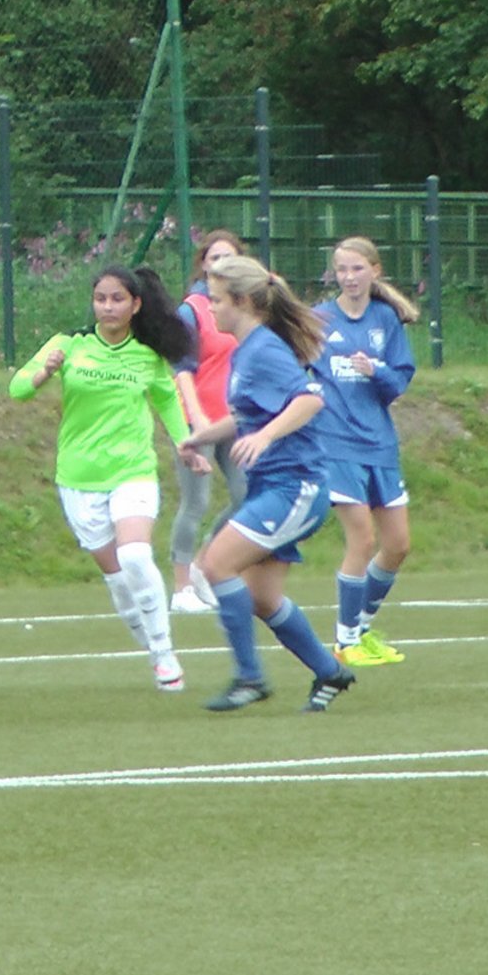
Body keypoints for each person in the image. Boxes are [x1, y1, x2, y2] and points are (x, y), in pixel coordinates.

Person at [10, 265, 205, 692]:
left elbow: (167, 400)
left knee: (136, 556)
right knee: (119, 581)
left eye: (117, 299)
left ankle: (164, 651)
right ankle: (152, 649)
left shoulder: (147, 355)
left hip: (132, 471)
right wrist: (46, 371)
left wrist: (185, 444)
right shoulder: (68, 344)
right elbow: (18, 388)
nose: (108, 306)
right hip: (78, 477)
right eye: (101, 298)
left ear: (135, 305)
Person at [180, 255, 359, 713]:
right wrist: (202, 436)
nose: (210, 307)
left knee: (215, 565)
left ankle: (250, 678)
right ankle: (329, 671)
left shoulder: (264, 348)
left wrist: (265, 436)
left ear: (242, 301)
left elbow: (308, 400)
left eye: (216, 299)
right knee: (262, 598)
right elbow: (248, 414)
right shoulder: (249, 349)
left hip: (294, 486)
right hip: (272, 487)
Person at [312, 236, 418, 666]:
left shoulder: (384, 320)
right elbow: (295, 372)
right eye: (341, 270)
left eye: (357, 269)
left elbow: (398, 384)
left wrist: (375, 370)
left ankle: (363, 629)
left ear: (375, 271)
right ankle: (345, 641)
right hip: (336, 446)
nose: (349, 277)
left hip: (380, 445)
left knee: (397, 544)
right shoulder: (319, 320)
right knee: (363, 539)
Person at [168, 229, 250, 613]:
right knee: (195, 502)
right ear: (203, 264)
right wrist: (195, 418)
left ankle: (204, 565)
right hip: (196, 420)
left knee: (247, 496)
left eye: (228, 259)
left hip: (233, 421)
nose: (220, 266)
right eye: (214, 258)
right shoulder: (192, 310)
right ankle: (181, 588)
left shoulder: (244, 309)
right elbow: (181, 368)